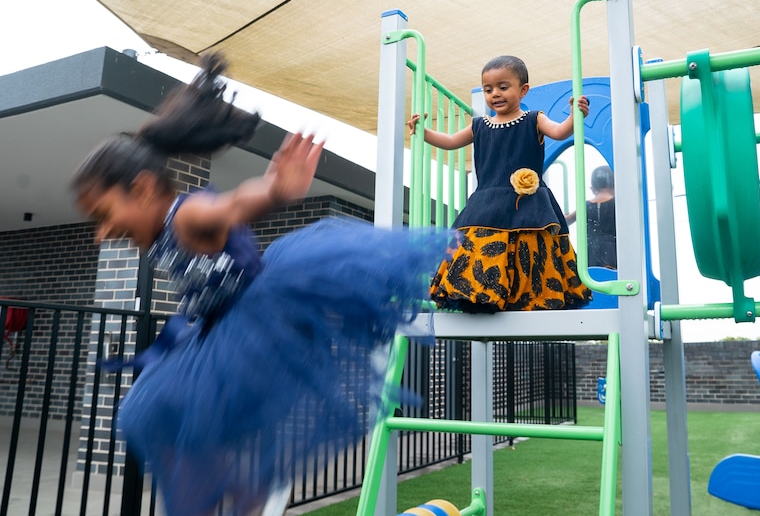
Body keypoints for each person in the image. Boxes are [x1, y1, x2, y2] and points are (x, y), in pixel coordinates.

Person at [71, 54, 449, 516]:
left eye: (105, 215)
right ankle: (234, 488)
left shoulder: (185, 216)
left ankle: (244, 486)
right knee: (147, 411)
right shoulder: (159, 229)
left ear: (145, 190)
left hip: (255, 321)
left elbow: (229, 206)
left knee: (153, 409)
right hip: (215, 332)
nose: (102, 232)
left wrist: (272, 190)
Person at [407, 55, 592, 313]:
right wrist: (423, 131)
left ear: (523, 90)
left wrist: (575, 116)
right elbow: (449, 141)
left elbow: (560, 131)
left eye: (503, 87)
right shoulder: (479, 126)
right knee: (482, 249)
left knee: (526, 249)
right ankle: (481, 297)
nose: (495, 94)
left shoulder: (533, 119)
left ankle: (526, 298)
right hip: (487, 201)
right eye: (488, 89)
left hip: (526, 202)